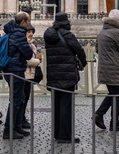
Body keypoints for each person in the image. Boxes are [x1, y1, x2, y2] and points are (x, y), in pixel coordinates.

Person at [44, 12, 86, 143]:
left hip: (53, 74)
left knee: (56, 105)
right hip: (67, 75)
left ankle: (57, 133)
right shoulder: (68, 35)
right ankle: (65, 136)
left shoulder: (49, 35)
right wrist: (82, 63)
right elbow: (80, 51)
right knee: (66, 106)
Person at [94, 9, 119, 132]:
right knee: (117, 95)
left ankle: (108, 119)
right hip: (115, 68)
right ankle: (109, 120)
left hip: (104, 68)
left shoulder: (101, 32)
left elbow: (97, 50)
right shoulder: (117, 33)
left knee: (113, 94)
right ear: (118, 20)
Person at [1, 12, 34, 140]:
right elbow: (28, 53)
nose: (29, 23)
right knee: (16, 100)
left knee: (21, 98)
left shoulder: (11, 32)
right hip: (15, 70)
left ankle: (17, 126)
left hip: (12, 68)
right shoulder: (19, 34)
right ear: (24, 22)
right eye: (28, 21)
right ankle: (8, 130)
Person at [20, 25, 42, 131]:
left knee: (26, 98)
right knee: (22, 99)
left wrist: (38, 57)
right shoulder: (25, 45)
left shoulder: (32, 45)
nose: (31, 34)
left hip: (30, 75)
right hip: (25, 74)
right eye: (28, 32)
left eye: (32, 32)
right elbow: (28, 61)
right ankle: (20, 119)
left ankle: (22, 118)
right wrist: (38, 61)